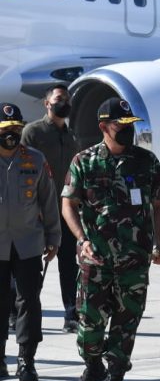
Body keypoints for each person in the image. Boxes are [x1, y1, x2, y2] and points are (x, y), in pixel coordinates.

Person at [62, 98, 160, 381]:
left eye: (130, 124)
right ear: (103, 127)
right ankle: (93, 366)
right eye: (119, 125)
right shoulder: (84, 161)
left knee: (126, 322)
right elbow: (68, 203)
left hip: (134, 260)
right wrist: (82, 239)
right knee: (89, 325)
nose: (127, 129)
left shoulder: (146, 162)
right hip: (95, 259)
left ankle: (114, 379)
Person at [0, 103, 60, 381]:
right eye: (6, 129)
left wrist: (54, 237)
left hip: (28, 243)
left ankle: (26, 360)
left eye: (16, 128)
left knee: (29, 302)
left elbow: (48, 200)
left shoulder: (35, 159)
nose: (11, 134)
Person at [21, 84, 80, 333]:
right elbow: (22, 168)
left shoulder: (71, 137)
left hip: (64, 212)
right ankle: (18, 313)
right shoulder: (33, 132)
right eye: (58, 99)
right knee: (29, 266)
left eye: (66, 99)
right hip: (36, 212)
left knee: (69, 265)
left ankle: (71, 315)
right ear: (47, 103)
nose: (63, 103)